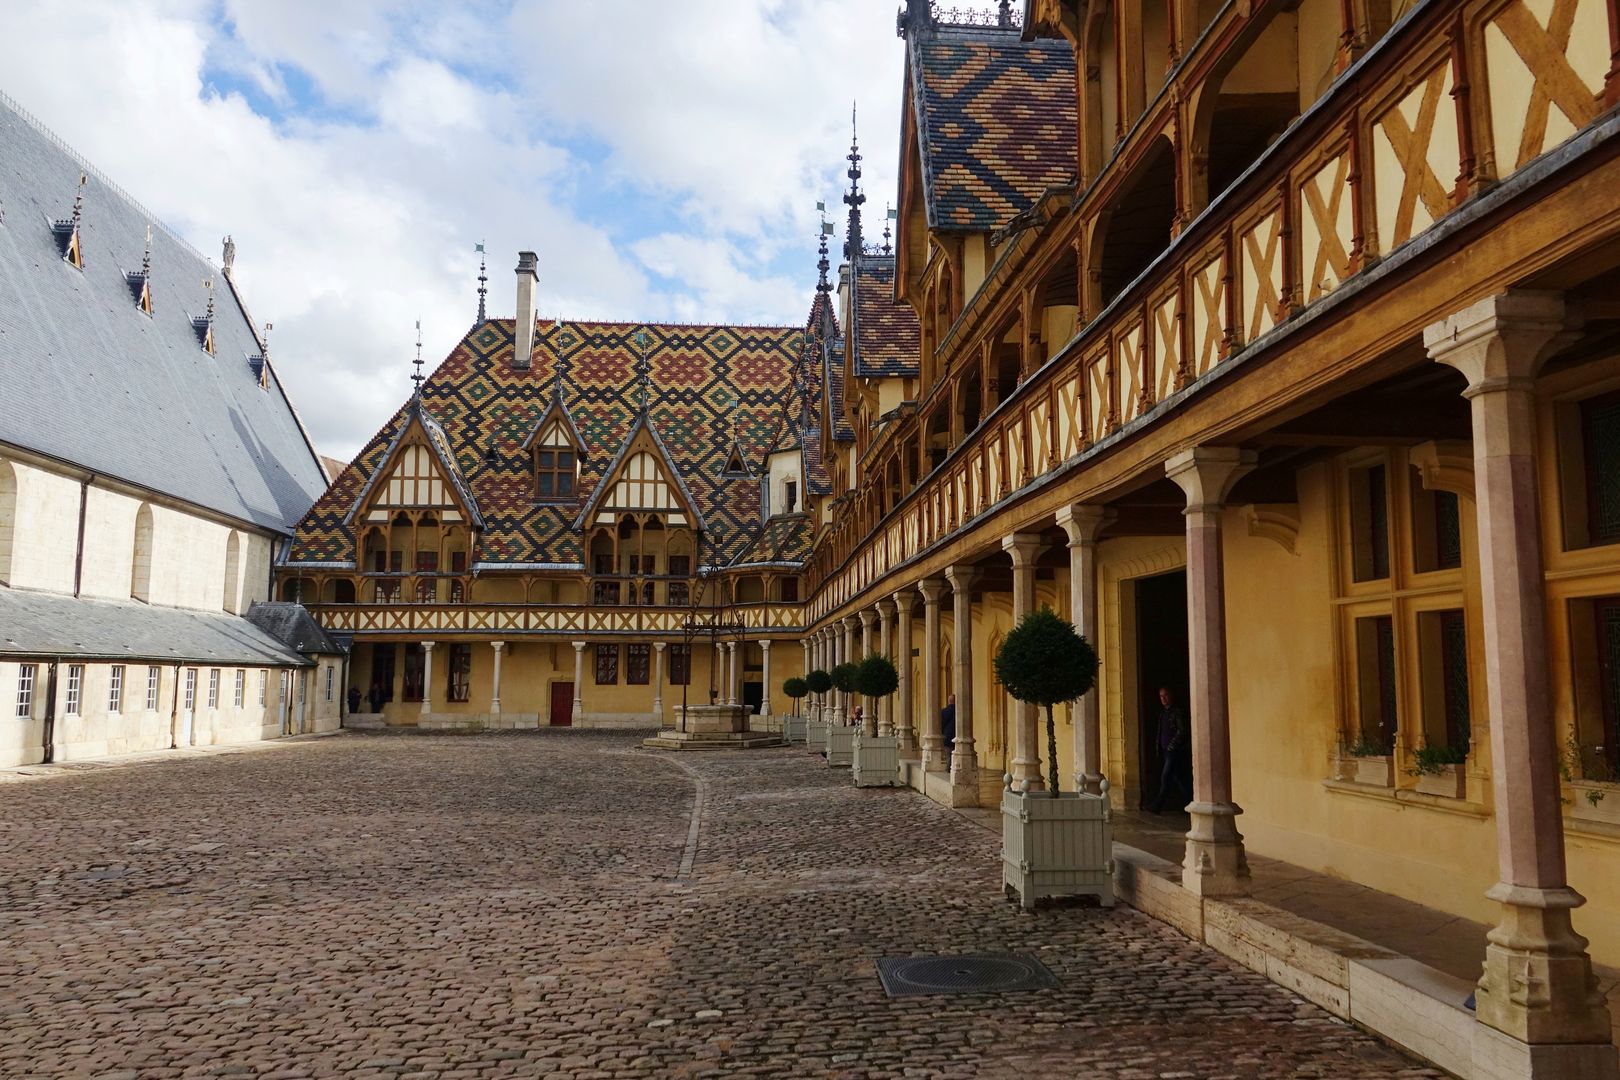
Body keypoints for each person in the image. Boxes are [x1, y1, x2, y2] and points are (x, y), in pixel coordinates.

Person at [1148, 686, 1191, 813]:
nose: (1163, 699)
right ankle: (1191, 803)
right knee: (1179, 779)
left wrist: (1172, 745)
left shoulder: (1177, 711)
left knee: (1165, 777)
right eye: (1161, 696)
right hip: (1165, 751)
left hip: (1173, 751)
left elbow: (1182, 731)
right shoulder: (1163, 713)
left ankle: (1157, 806)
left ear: (1171, 695)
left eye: (1165, 695)